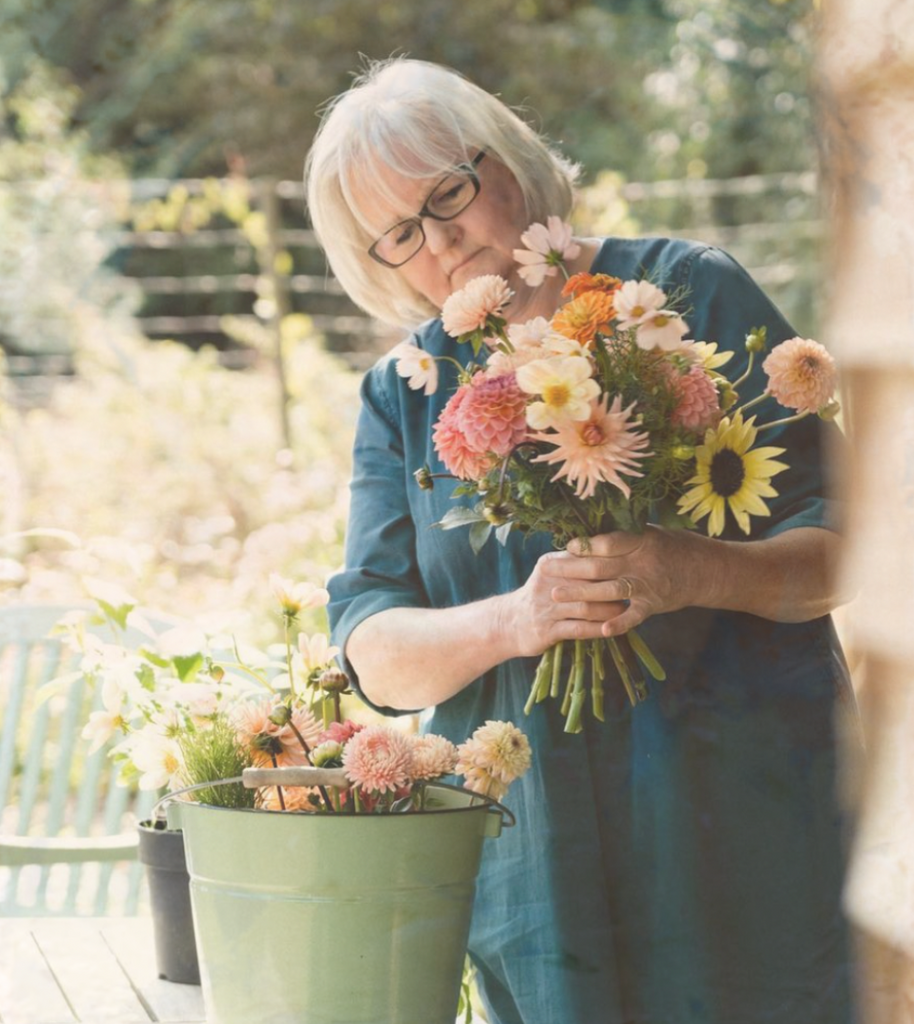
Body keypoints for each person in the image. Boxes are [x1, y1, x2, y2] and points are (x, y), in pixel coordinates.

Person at [306, 57, 856, 1024]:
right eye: (400, 234)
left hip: (745, 828)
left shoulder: (681, 294)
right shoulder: (407, 389)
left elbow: (851, 544)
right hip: (540, 870)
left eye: (449, 194)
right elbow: (375, 650)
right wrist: (517, 621)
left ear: (510, 163)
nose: (441, 244)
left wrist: (696, 571)